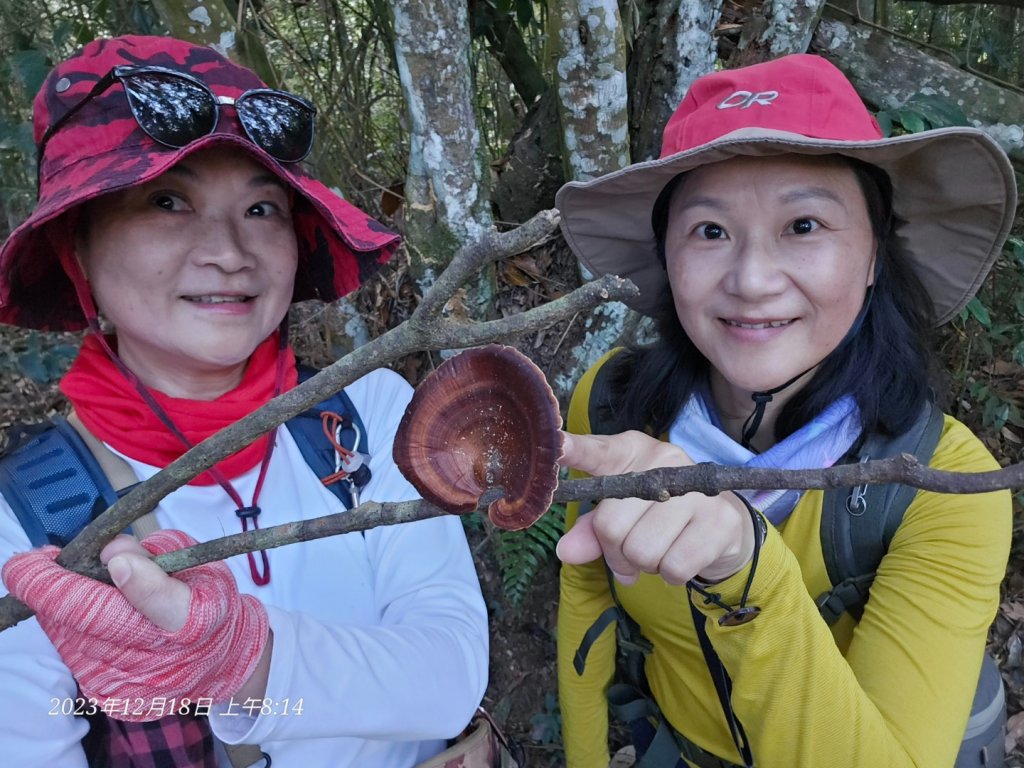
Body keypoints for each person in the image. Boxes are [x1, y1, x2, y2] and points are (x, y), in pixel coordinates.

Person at [0, 35, 489, 768]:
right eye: (168, 201)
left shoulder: (368, 417)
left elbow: (450, 673)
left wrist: (242, 659)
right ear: (79, 252)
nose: (229, 252)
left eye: (263, 208)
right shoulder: (28, 519)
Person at [553, 54, 1017, 767]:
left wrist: (746, 567)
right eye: (709, 231)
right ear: (666, 256)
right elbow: (584, 591)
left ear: (873, 255)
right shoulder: (613, 409)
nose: (752, 281)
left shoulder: (945, 488)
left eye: (804, 225)